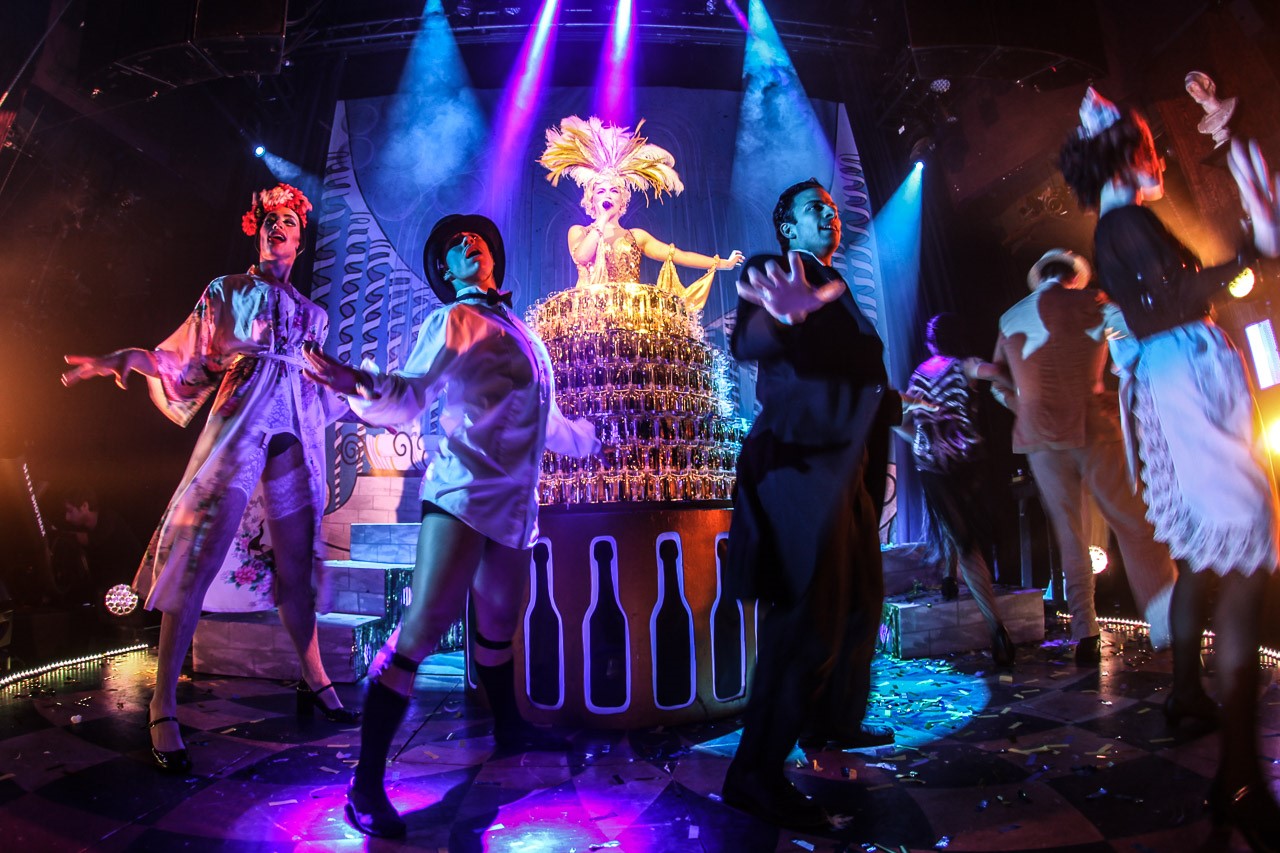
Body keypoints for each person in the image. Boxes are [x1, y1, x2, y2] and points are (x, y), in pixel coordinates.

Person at [303, 213, 599, 839]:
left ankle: (509, 727)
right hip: (462, 494)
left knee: (498, 624)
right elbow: (410, 394)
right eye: (456, 245)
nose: (471, 242)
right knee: (423, 628)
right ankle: (364, 784)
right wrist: (358, 382)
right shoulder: (453, 319)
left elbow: (545, 419)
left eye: (477, 238)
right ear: (447, 270)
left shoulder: (522, 330)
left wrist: (589, 439)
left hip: (515, 506)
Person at [61, 183, 358, 775]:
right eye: (269, 219)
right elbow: (181, 359)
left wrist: (370, 397)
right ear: (257, 230)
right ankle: (162, 703)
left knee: (297, 565)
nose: (277, 226)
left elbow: (320, 388)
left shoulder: (314, 316)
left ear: (301, 238)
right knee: (198, 551)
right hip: (241, 425)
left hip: (295, 435)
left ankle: (315, 676)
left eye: (289, 220)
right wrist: (129, 357)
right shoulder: (227, 292)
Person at [1059, 87, 1280, 852]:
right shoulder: (1124, 223)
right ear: (1126, 156)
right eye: (1151, 147)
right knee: (1247, 560)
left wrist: (1250, 247)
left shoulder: (1121, 224)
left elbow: (1167, 298)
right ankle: (1242, 777)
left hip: (1183, 379)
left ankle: (1195, 705)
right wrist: (1251, 253)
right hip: (1186, 383)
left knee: (1208, 561)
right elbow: (1174, 296)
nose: (1159, 159)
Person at [721, 178, 900, 830]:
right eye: (813, 209)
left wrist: (901, 412)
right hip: (798, 469)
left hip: (843, 469)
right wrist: (784, 316)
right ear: (788, 228)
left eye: (832, 207)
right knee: (807, 620)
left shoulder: (837, 287)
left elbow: (859, 374)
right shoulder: (775, 271)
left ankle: (829, 722)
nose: (830, 214)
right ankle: (754, 772)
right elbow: (751, 337)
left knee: (858, 603)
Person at [985, 248, 1178, 665]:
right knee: (1132, 524)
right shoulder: (1095, 302)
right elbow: (1137, 349)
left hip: (1039, 440)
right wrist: (1117, 394)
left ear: (1042, 277)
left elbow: (998, 383)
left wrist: (1027, 409)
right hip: (1092, 429)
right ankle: (1168, 626)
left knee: (1069, 533)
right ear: (1075, 277)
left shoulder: (1009, 316)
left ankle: (1085, 633)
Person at [895, 314, 1015, 668]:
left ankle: (975, 603)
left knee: (955, 529)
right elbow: (997, 373)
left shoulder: (918, 375)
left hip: (932, 465)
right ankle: (992, 624)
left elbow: (900, 419)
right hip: (967, 460)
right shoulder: (965, 366)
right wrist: (1019, 392)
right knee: (966, 537)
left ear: (929, 341)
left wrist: (922, 441)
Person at [538, 115, 743, 308]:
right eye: (601, 191)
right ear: (592, 200)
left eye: (614, 190)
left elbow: (679, 255)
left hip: (629, 312)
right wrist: (602, 219)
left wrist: (723, 263)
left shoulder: (636, 237)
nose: (608, 195)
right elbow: (582, 257)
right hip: (589, 310)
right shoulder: (579, 232)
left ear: (623, 199)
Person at [1185, 70, 1237, 149]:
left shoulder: (1231, 103)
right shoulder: (1202, 126)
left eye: (1194, 86)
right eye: (1189, 90)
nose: (1192, 92)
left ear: (1206, 83)